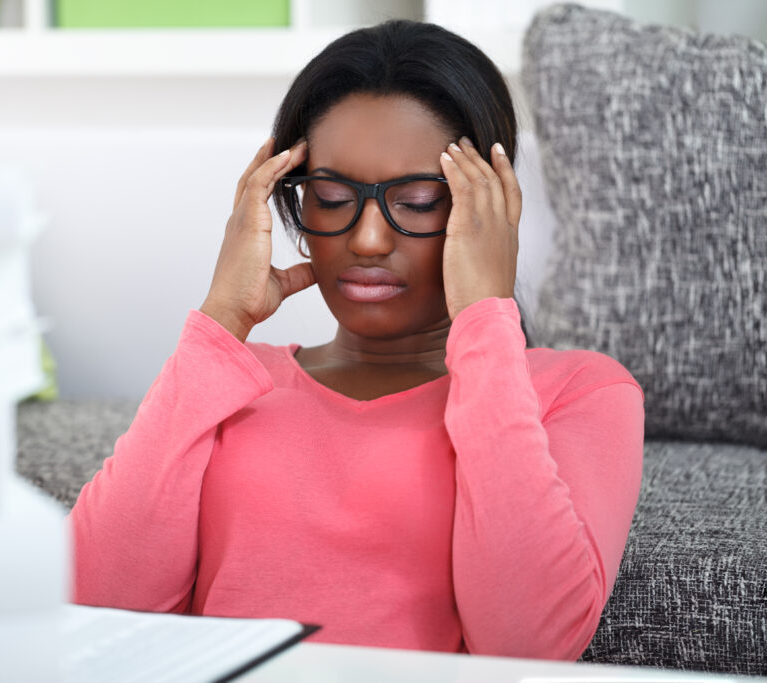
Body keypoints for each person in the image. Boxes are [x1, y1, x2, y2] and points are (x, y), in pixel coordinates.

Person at [68, 19, 644, 660]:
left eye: (421, 199)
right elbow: (93, 606)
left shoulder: (578, 390)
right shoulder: (223, 379)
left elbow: (529, 645)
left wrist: (486, 315)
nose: (368, 240)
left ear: (490, 207)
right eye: (333, 196)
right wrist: (220, 324)